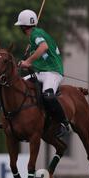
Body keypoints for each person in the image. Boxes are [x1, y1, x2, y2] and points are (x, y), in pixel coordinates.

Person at [15, 9, 70, 138]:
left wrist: (27, 61)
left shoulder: (36, 34)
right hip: (41, 72)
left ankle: (63, 123)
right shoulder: (34, 37)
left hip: (53, 72)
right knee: (18, 85)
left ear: (23, 27)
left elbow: (44, 47)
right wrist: (29, 56)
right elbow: (40, 53)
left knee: (48, 95)